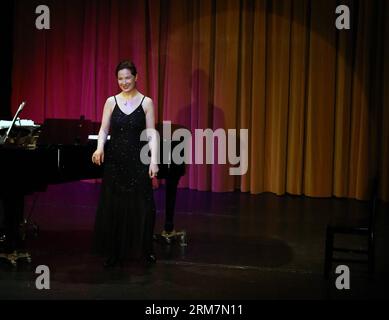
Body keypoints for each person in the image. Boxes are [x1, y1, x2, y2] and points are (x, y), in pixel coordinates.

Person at [91, 60, 159, 267]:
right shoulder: (110, 101)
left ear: (136, 77)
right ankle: (114, 251)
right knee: (114, 206)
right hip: (115, 161)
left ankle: (145, 250)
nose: (124, 82)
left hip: (138, 161)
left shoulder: (146, 102)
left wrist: (154, 161)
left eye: (128, 77)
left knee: (142, 206)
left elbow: (151, 134)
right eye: (120, 78)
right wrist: (100, 147)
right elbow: (104, 129)